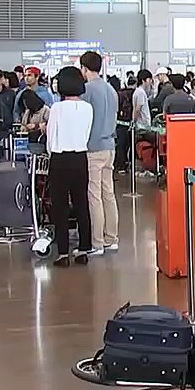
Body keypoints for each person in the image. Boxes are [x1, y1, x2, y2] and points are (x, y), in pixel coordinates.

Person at [46, 66, 94, 267]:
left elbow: (51, 136)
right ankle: (84, 249)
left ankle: (63, 253)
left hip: (60, 158)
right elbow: (87, 134)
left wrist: (52, 153)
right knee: (81, 203)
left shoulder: (57, 108)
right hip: (80, 158)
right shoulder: (87, 108)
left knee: (60, 206)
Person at [79, 51, 120, 256]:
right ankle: (112, 238)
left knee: (94, 196)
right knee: (108, 194)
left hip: (93, 148)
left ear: (84, 68)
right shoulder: (111, 90)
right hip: (110, 146)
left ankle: (97, 243)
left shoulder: (86, 90)